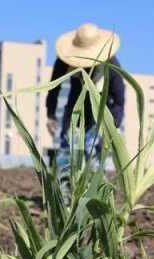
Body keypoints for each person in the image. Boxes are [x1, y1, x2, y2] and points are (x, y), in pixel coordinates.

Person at [46, 23, 125, 168]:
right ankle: (64, 188)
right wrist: (51, 115)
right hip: (74, 113)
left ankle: (94, 188)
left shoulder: (111, 65)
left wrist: (112, 128)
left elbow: (119, 101)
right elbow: (53, 88)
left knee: (93, 160)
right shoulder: (65, 60)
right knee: (66, 156)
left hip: (99, 116)